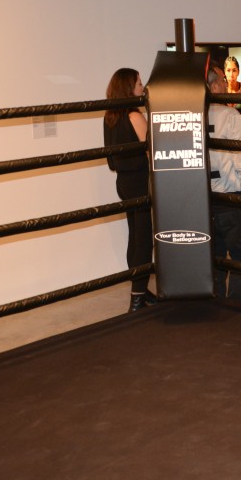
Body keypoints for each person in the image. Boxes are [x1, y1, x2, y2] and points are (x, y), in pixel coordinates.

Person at [103, 68, 156, 313]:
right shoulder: (135, 116)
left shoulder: (109, 117)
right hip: (140, 182)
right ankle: (137, 298)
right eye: (139, 83)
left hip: (123, 183)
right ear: (129, 88)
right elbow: (152, 153)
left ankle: (141, 291)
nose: (142, 87)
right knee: (143, 239)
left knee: (135, 235)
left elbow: (111, 159)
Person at [207, 68, 241, 302]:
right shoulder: (231, 116)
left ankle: (219, 305)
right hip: (232, 197)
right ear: (214, 86)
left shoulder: (193, 115)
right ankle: (237, 306)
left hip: (206, 200)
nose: (226, 83)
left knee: (216, 258)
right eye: (222, 80)